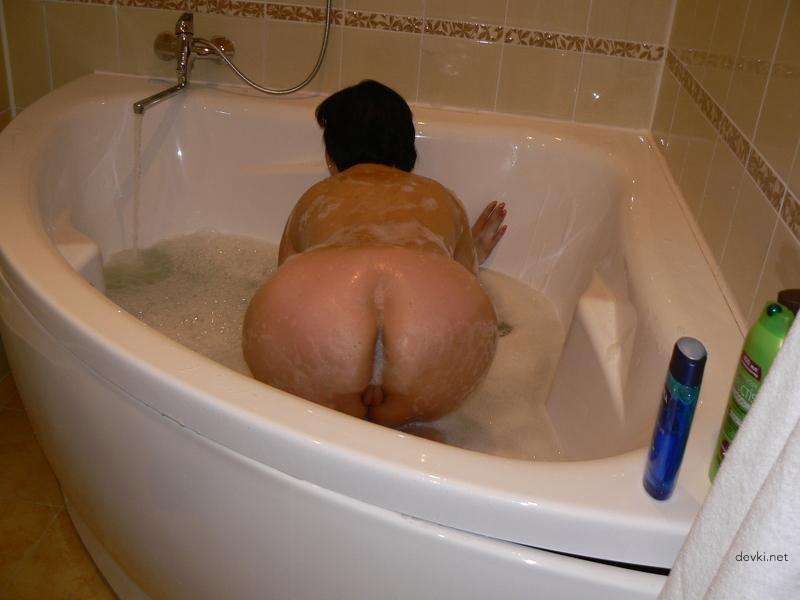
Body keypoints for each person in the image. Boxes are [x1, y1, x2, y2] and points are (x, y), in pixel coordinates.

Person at [243, 80, 507, 427]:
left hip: (322, 318)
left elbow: (287, 274)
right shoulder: (438, 196)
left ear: (331, 156)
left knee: (315, 429)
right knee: (410, 433)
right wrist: (470, 253)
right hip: (430, 315)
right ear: (408, 152)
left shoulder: (315, 197)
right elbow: (465, 276)